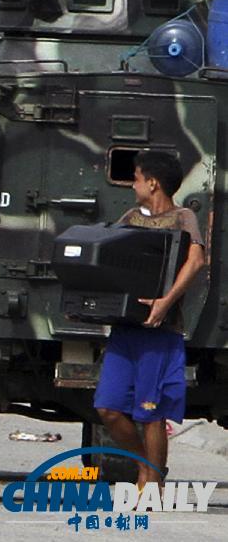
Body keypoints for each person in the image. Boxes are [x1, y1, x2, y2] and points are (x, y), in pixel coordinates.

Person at [94, 151, 205, 489]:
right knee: (108, 408)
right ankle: (147, 464)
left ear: (153, 183)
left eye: (138, 178)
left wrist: (165, 302)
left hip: (160, 331)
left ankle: (151, 480)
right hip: (125, 329)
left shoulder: (183, 218)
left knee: (150, 411)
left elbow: (196, 259)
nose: (133, 185)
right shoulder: (131, 217)